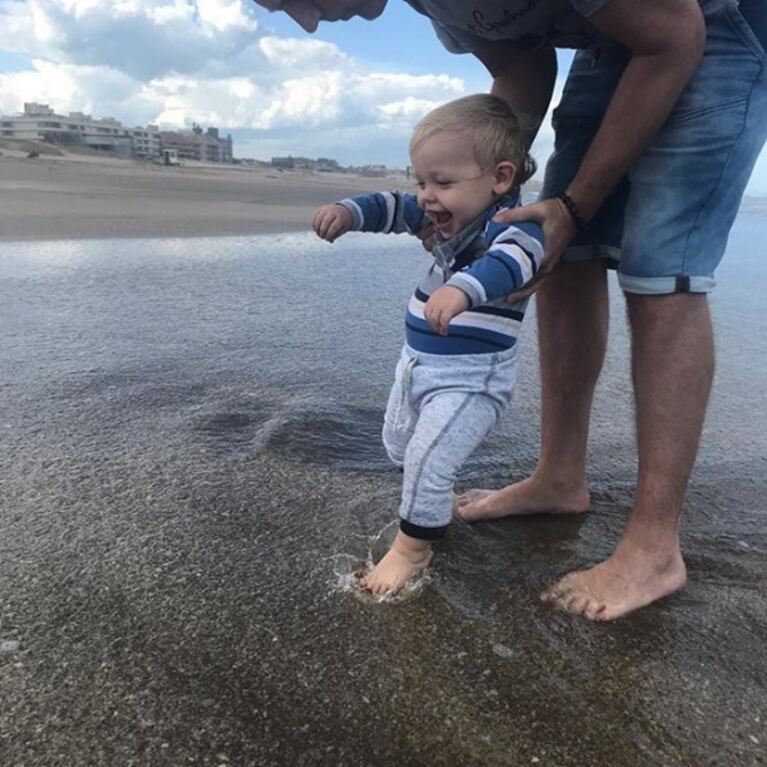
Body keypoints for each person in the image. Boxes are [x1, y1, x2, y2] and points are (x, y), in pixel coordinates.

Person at [257, 0, 767, 619]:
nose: (304, 22)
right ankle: (559, 477)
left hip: (707, 22)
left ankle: (655, 547)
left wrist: (516, 238)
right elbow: (522, 70)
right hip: (612, 39)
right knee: (566, 250)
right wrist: (476, 195)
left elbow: (675, 34)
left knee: (662, 269)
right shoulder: (438, 11)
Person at [312, 94, 543, 594]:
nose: (427, 196)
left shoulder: (514, 227)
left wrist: (463, 288)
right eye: (422, 181)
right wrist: (348, 213)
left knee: (425, 458)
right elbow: (391, 206)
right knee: (399, 445)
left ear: (499, 179)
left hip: (472, 378)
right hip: (416, 365)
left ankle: (412, 549)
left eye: (443, 183)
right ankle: (430, 497)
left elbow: (514, 265)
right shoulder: (442, 217)